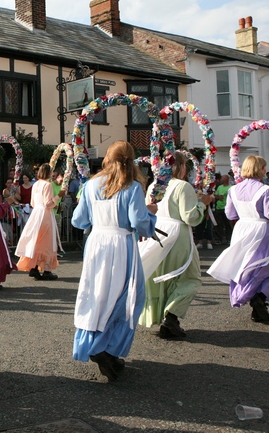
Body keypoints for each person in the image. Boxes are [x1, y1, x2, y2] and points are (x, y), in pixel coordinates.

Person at [71, 141, 157, 381]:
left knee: (96, 295)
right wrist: (151, 215)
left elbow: (78, 220)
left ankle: (93, 343)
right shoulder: (132, 188)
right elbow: (139, 223)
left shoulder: (89, 185)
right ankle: (108, 348)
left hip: (97, 244)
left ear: (108, 158)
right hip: (121, 245)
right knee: (128, 297)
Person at [207, 156, 269, 323]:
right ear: (260, 169)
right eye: (264, 167)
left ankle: (250, 295)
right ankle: (260, 297)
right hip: (262, 229)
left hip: (242, 229)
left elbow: (230, 214)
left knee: (246, 266)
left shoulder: (233, 190)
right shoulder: (266, 190)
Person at [138, 152, 213, 338]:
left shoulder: (155, 186)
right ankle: (171, 317)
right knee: (190, 277)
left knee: (163, 276)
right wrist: (202, 204)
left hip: (158, 234)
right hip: (178, 235)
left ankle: (165, 317)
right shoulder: (182, 186)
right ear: (179, 166)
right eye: (185, 166)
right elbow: (191, 217)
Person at [15, 163, 61, 281]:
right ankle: (46, 269)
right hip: (45, 214)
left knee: (36, 240)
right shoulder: (48, 185)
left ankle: (34, 267)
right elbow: (48, 203)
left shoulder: (35, 185)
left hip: (36, 213)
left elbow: (32, 203)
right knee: (47, 241)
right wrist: (58, 197)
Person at [213, 175, 233, 245]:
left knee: (228, 224)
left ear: (226, 179)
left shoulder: (230, 188)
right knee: (218, 224)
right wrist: (217, 196)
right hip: (219, 208)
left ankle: (229, 239)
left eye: (222, 178)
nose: (220, 179)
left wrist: (220, 197)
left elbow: (227, 197)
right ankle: (219, 239)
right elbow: (216, 195)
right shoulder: (219, 187)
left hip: (227, 208)